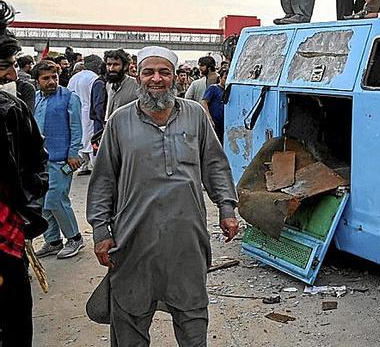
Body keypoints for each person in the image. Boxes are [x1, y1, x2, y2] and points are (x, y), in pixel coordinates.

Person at [87, 46, 239, 346]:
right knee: (129, 314)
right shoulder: (119, 121)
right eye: (149, 72)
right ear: (138, 75)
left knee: (192, 312)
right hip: (133, 237)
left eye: (164, 72)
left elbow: (215, 165)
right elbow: (103, 178)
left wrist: (227, 208)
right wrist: (100, 230)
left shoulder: (195, 115)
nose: (156, 79)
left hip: (186, 236)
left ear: (175, 77)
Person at [0, 30, 48, 347]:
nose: (11, 74)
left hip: (6, 240)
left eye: (12, 64)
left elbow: (35, 167)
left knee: (12, 321)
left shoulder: (13, 110)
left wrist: (22, 216)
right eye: (5, 65)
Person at [31, 61, 85, 259]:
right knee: (41, 202)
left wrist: (73, 154)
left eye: (54, 77)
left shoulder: (70, 98)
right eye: (46, 78)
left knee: (56, 200)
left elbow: (76, 128)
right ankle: (52, 241)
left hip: (62, 160)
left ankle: (75, 238)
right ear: (37, 80)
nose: (52, 81)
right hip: (39, 161)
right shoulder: (35, 99)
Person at [67, 54, 102, 175]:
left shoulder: (74, 77)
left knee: (80, 139)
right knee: (92, 139)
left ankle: (82, 166)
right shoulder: (94, 78)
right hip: (89, 113)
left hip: (76, 112)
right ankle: (96, 166)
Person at [104, 49, 139, 118]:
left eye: (116, 65)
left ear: (125, 66)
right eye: (109, 64)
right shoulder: (109, 85)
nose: (111, 68)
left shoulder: (136, 85)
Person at [201, 69, 228, 144]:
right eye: (225, 78)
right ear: (220, 78)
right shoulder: (213, 88)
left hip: (224, 124)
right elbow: (204, 102)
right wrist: (209, 117)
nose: (227, 81)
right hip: (214, 123)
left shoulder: (229, 91)